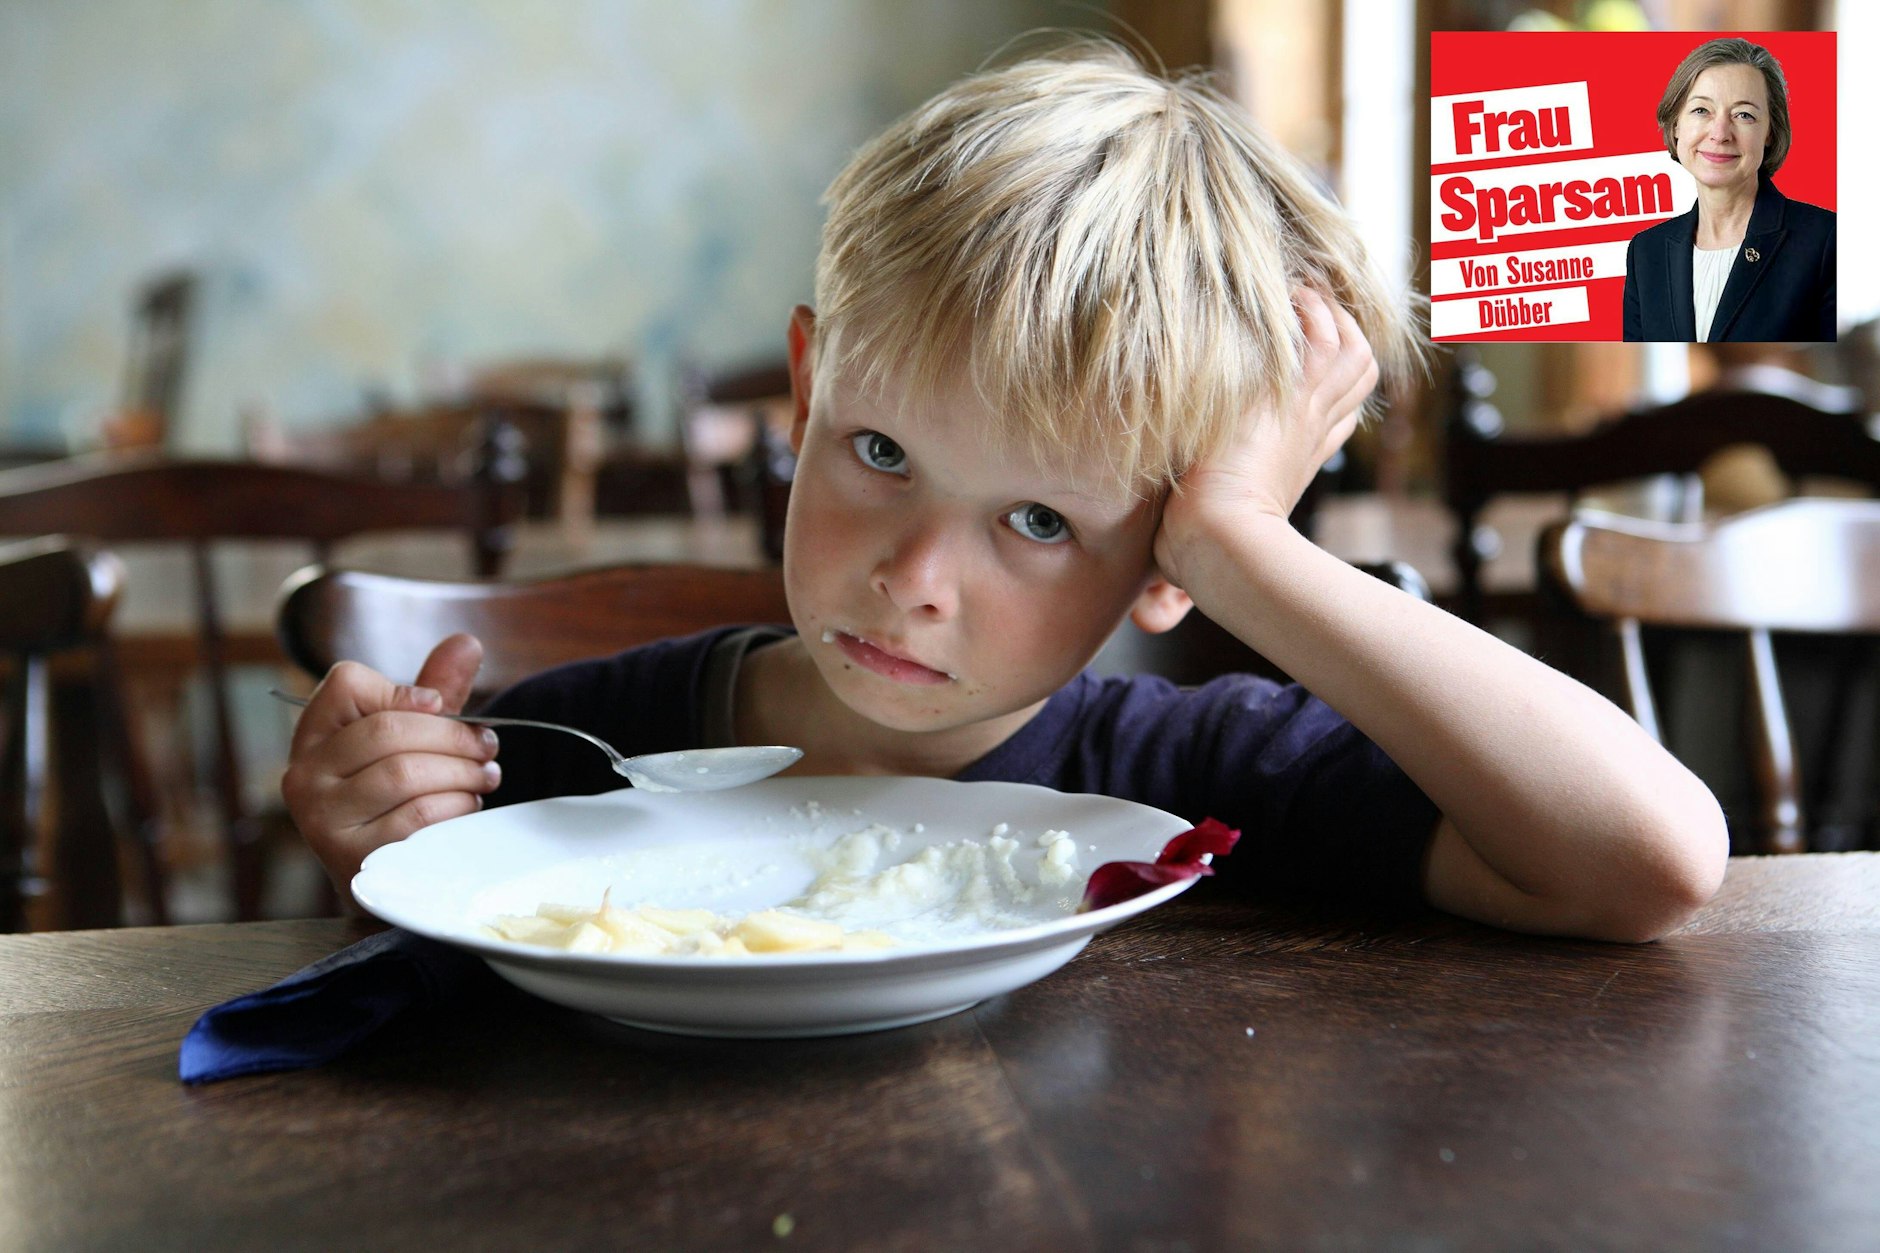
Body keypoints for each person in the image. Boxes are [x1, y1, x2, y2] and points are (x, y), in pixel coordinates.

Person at [285, 43, 1726, 943]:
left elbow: (1649, 864)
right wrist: (373, 822)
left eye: (1041, 521)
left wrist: (1245, 546)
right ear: (806, 390)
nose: (915, 576)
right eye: (882, 453)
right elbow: (405, 925)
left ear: (1165, 557)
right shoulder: (582, 757)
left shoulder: (1191, 785)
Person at [1622, 37, 1836, 342]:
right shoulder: (1646, 252)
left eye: (1744, 115)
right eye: (1701, 111)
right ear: (1676, 125)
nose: (1720, 133)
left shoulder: (1826, 240)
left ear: (1770, 133)